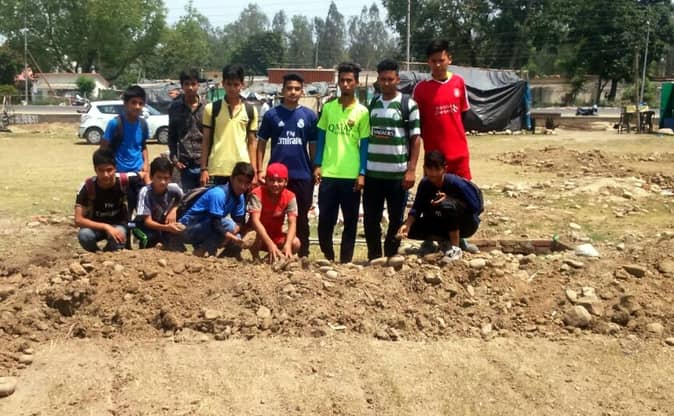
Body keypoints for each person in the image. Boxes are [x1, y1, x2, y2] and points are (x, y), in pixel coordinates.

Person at [413, 39, 479, 254]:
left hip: (459, 155)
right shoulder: (421, 89)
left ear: (449, 59)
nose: (438, 64)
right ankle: (429, 239)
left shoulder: (459, 83)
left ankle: (460, 239)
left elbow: (463, 116)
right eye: (433, 61)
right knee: (430, 198)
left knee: (460, 199)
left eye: (441, 60)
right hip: (434, 158)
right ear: (428, 62)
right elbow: (417, 123)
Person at [363, 58, 421, 262]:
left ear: (397, 80)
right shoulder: (372, 104)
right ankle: (374, 257)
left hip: (398, 176)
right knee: (371, 219)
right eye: (382, 79)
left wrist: (411, 170)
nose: (386, 83)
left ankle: (391, 256)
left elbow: (415, 139)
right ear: (378, 80)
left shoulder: (408, 105)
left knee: (396, 218)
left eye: (390, 79)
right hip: (373, 174)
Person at [313, 62, 370, 263]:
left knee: (350, 222)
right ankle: (328, 256)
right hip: (328, 174)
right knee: (325, 221)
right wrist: (317, 164)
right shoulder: (328, 108)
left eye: (349, 80)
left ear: (356, 83)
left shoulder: (363, 112)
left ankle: (346, 262)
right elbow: (321, 138)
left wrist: (362, 172)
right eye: (342, 80)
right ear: (338, 82)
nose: (345, 84)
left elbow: (364, 145)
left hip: (351, 176)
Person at [256, 72, 317, 258]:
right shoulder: (271, 115)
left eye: (297, 89)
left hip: (302, 175)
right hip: (276, 177)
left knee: (301, 217)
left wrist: (315, 167)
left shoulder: (309, 116)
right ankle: (270, 251)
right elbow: (261, 143)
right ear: (282, 91)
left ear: (302, 91)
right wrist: (260, 169)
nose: (293, 92)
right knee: (271, 215)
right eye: (289, 88)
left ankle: (302, 254)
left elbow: (313, 145)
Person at [397, 151, 482, 261]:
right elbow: (417, 208)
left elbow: (475, 207)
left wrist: (451, 200)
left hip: (467, 224)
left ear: (444, 169)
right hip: (441, 222)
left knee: (447, 205)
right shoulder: (425, 184)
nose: (433, 173)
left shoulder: (456, 183)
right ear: (424, 168)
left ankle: (456, 248)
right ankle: (443, 242)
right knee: (408, 228)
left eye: (437, 169)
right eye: (429, 169)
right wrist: (407, 225)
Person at [179, 162, 254, 257]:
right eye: (240, 181)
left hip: (206, 226)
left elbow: (239, 221)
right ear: (232, 178)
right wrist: (230, 236)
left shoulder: (240, 197)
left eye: (247, 183)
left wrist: (234, 234)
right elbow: (215, 223)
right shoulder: (219, 194)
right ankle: (202, 250)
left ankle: (218, 256)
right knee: (227, 225)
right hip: (187, 228)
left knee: (236, 234)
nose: (242, 186)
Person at [200, 64, 258, 187]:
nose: (232, 88)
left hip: (242, 170)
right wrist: (204, 169)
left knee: (239, 200)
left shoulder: (250, 110)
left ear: (242, 85)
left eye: (236, 84)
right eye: (229, 84)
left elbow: (252, 143)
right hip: (218, 169)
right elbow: (205, 141)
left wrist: (254, 171)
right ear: (223, 84)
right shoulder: (211, 109)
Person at [74, 148, 142, 252]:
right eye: (101, 170)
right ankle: (97, 255)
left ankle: (109, 254)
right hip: (96, 226)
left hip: (119, 225)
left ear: (115, 168)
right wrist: (106, 227)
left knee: (119, 236)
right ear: (95, 170)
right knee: (84, 235)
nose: (105, 175)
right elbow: (78, 220)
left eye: (109, 170)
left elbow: (145, 175)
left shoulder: (124, 180)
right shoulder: (87, 186)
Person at [100, 85, 151, 216]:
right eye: (133, 102)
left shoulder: (143, 124)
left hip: (138, 175)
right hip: (119, 176)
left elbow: (143, 146)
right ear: (125, 103)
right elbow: (103, 150)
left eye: (140, 103)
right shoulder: (115, 124)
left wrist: (146, 166)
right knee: (121, 213)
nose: (137, 106)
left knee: (141, 213)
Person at [246, 163, 300, 263]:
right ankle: (256, 257)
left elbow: (292, 222)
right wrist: (270, 244)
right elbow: (255, 221)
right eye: (271, 180)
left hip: (276, 236)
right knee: (253, 235)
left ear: (286, 182)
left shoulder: (290, 196)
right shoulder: (257, 194)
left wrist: (288, 244)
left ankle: (271, 258)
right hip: (259, 237)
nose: (275, 184)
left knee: (295, 243)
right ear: (266, 180)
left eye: (279, 181)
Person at [134, 157, 185, 249]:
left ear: (170, 178)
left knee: (177, 237)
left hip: (162, 223)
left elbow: (183, 199)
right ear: (151, 177)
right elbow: (147, 222)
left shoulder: (174, 188)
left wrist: (174, 209)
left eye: (166, 178)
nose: (162, 182)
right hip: (141, 225)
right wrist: (167, 228)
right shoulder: (145, 192)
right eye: (159, 177)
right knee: (149, 238)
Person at [168, 68, 204, 193]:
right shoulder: (174, 108)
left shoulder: (207, 107)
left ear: (198, 85)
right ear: (182, 86)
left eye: (193, 84)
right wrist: (174, 159)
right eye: (186, 84)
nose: (190, 88)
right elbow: (171, 136)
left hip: (204, 165)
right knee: (187, 200)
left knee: (205, 199)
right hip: (184, 165)